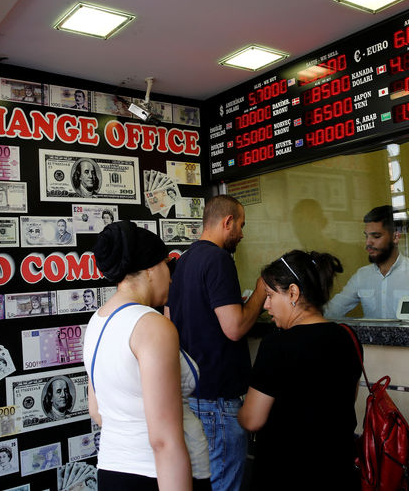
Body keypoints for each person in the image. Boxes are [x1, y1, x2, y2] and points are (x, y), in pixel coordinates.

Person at [84, 220, 210, 490]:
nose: (171, 276)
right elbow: (164, 441)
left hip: (112, 469)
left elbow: (97, 410)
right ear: (151, 269)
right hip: (159, 476)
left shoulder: (97, 320)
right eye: (167, 264)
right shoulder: (152, 326)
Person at [166, 194, 267, 491]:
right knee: (224, 484)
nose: (242, 234)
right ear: (227, 222)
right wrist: (261, 293)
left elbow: (172, 320)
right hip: (218, 401)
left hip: (191, 396)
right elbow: (234, 327)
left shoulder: (182, 262)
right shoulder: (219, 259)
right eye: (241, 226)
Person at [238, 250, 362, 489]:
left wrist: (238, 414)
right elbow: (347, 399)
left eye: (271, 295)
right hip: (338, 471)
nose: (266, 305)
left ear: (293, 292)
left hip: (287, 472)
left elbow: (252, 419)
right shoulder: (348, 338)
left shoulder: (277, 344)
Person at [325, 205, 409, 319]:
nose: (368, 243)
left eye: (376, 236)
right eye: (367, 236)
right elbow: (332, 311)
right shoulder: (361, 276)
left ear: (395, 237)